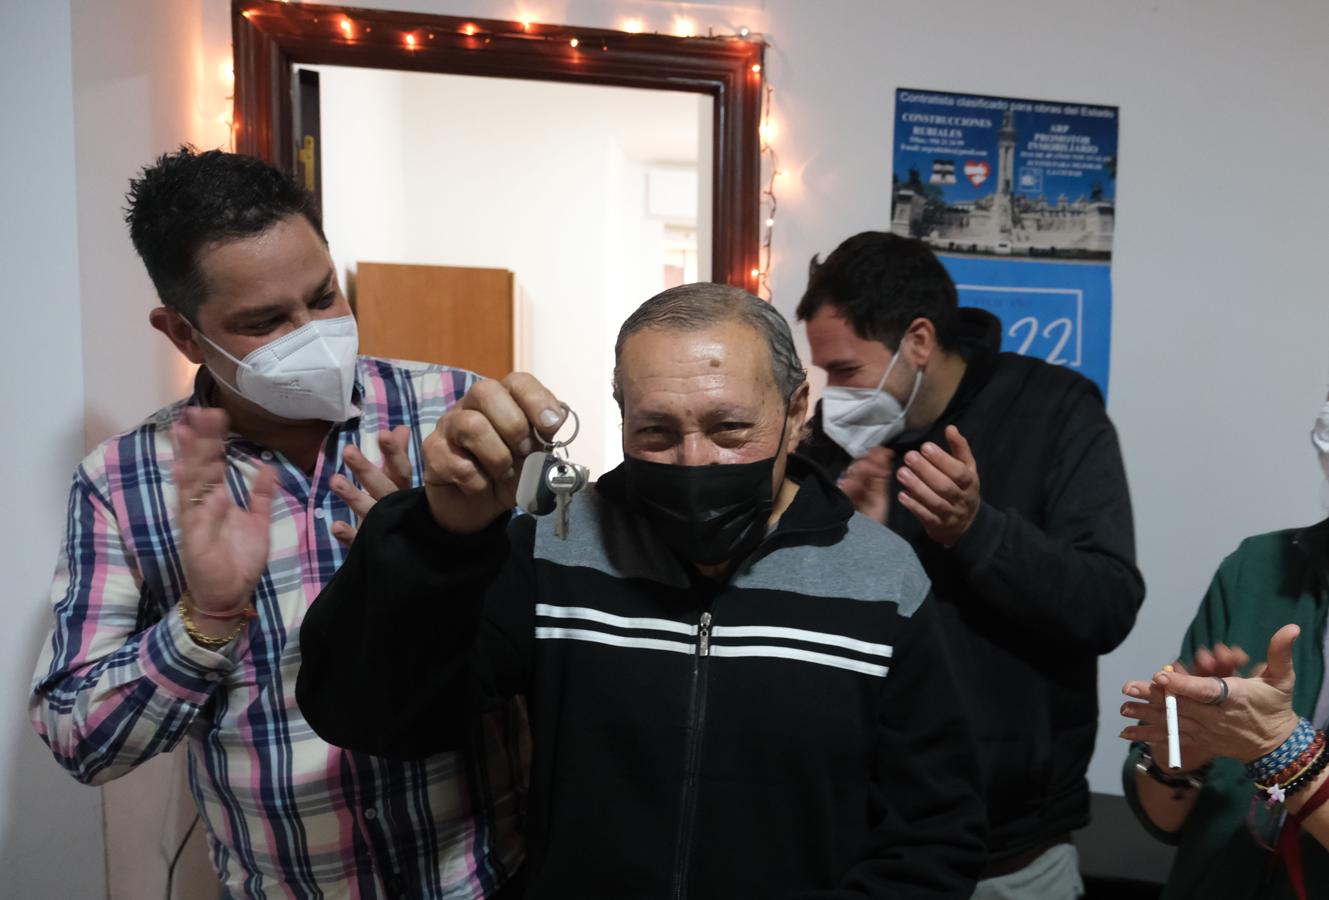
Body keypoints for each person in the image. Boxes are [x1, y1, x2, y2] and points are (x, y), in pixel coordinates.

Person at [295, 283, 987, 898]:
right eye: (655, 431)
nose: (694, 461)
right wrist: (440, 535)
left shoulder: (880, 576)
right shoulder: (554, 547)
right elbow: (378, 715)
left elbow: (934, 830)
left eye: (729, 429)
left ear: (795, 407)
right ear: (620, 416)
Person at [29, 148, 526, 898]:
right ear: (184, 335)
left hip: (488, 874)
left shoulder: (451, 414)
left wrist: (433, 564)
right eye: (264, 322)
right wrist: (205, 621)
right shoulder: (124, 483)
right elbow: (79, 738)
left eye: (324, 296)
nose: (314, 333)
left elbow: (548, 643)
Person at [796, 232, 1144, 898]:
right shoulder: (827, 444)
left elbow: (1105, 603)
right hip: (860, 846)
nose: (832, 395)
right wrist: (854, 550)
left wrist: (974, 530)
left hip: (1011, 852)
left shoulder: (1054, 409)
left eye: (844, 371)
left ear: (917, 342)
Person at [1119, 409, 1329, 898]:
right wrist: (1179, 759)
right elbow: (1166, 817)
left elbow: (1275, 747)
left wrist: (1281, 748)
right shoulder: (1257, 569)